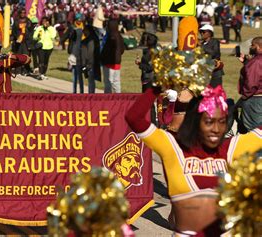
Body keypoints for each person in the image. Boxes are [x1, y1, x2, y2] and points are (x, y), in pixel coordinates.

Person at [125, 85, 262, 236]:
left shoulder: (231, 148)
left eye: (222, 122)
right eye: (209, 122)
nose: (216, 129)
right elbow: (134, 117)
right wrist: (157, 86)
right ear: (195, 122)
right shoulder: (173, 147)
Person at [238, 36, 262, 131]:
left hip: (254, 100)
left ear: (258, 47)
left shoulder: (256, 62)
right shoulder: (255, 61)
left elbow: (252, 83)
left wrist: (245, 95)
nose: (250, 47)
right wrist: (246, 63)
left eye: (252, 45)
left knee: (254, 130)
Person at [101, 19, 125, 93]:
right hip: (117, 62)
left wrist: (102, 57)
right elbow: (122, 49)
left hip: (109, 63)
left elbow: (105, 50)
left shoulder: (110, 37)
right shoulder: (119, 36)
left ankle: (108, 99)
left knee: (108, 82)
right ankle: (118, 98)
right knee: (116, 82)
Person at [33, 16, 56, 80]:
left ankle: (43, 73)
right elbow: (34, 37)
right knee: (41, 61)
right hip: (41, 47)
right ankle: (40, 74)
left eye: (46, 21)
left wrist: (48, 28)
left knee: (46, 61)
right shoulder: (39, 28)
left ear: (48, 22)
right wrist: (38, 36)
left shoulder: (52, 28)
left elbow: (53, 36)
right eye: (43, 21)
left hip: (49, 47)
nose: (44, 23)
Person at [11, 8, 33, 76]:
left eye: (24, 12)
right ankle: (18, 70)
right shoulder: (16, 21)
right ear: (19, 13)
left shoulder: (28, 21)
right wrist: (15, 37)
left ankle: (25, 70)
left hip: (26, 42)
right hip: (18, 42)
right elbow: (14, 30)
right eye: (21, 13)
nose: (23, 14)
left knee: (25, 56)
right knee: (18, 55)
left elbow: (31, 31)